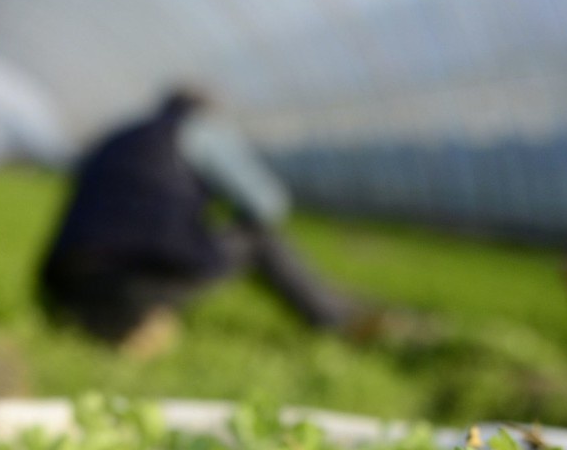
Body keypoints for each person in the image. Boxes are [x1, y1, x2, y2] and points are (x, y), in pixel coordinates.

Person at [38, 88, 359, 349]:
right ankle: (335, 318)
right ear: (205, 113)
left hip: (62, 284)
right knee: (257, 237)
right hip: (134, 282)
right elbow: (268, 204)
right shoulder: (199, 133)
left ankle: (117, 323)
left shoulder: (118, 135)